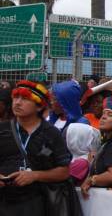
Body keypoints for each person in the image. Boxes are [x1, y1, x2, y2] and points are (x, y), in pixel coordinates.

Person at [0, 80, 72, 215]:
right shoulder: (2, 130)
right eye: (16, 97)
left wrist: (35, 175)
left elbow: (64, 171)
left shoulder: (51, 134)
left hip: (37, 205)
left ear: (39, 106)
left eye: (25, 98)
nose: (17, 102)